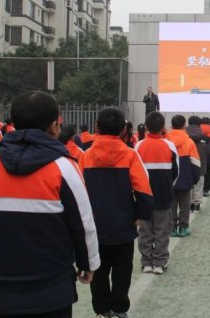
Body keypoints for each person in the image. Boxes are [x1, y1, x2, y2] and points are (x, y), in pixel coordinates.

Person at [0, 91, 99, 318]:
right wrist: (88, 263)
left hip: (1, 292)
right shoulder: (64, 168)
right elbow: (83, 222)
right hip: (52, 292)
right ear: (55, 126)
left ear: (14, 123)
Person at [79, 107, 153, 318]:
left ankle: (102, 310)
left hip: (94, 226)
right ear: (123, 130)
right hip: (123, 225)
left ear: (96, 127)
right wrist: (141, 214)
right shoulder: (130, 155)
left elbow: (78, 191)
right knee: (122, 271)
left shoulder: (85, 157)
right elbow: (143, 190)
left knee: (98, 270)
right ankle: (119, 309)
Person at [135, 111, 178, 275]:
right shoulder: (169, 146)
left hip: (143, 197)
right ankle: (159, 263)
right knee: (162, 230)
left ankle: (146, 262)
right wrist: (168, 187)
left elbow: (134, 172)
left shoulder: (139, 146)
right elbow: (176, 172)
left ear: (146, 127)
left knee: (144, 231)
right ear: (163, 127)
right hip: (164, 196)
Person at [167, 115, 201, 237]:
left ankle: (171, 228)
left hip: (169, 179)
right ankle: (183, 228)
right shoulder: (189, 142)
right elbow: (195, 163)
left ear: (171, 125)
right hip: (185, 178)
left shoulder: (166, 141)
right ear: (184, 125)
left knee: (171, 205)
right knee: (185, 205)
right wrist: (194, 179)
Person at [187, 116, 210, 212]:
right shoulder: (204, 137)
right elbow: (208, 152)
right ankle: (196, 204)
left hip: (187, 164)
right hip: (200, 163)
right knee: (199, 184)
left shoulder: (184, 136)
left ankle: (188, 203)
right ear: (199, 124)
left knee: (188, 185)